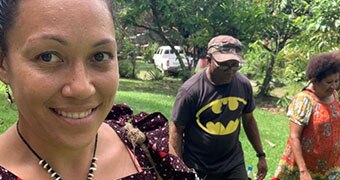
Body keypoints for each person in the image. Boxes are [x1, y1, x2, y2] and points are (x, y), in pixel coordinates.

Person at [0, 0, 194, 179]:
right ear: (3, 65)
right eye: (47, 57)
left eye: (99, 56)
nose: (82, 89)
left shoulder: (146, 148)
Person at [170, 35, 268, 180]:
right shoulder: (191, 91)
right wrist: (179, 170)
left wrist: (261, 154)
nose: (230, 70)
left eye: (235, 65)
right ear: (209, 59)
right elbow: (176, 130)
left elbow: (249, 120)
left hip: (232, 163)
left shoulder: (243, 85)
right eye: (224, 64)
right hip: (199, 166)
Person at [273, 51, 340, 180]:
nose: (334, 86)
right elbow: (294, 137)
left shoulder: (333, 96)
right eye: (329, 82)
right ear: (314, 81)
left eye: (336, 81)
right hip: (304, 169)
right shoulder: (304, 100)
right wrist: (303, 172)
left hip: (331, 168)